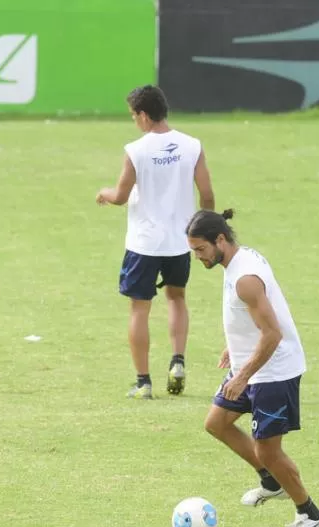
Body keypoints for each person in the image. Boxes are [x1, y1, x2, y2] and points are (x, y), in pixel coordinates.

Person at [186, 209, 319, 527]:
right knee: (216, 423)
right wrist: (233, 346)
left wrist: (243, 375)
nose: (197, 257)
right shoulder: (235, 261)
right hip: (250, 364)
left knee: (268, 450)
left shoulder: (245, 277)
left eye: (200, 250)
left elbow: (273, 333)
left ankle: (309, 514)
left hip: (273, 372)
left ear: (220, 240)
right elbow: (252, 319)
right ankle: (271, 481)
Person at [97, 85, 215, 399]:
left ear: (144, 115)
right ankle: (177, 361)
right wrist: (204, 232)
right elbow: (206, 194)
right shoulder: (192, 145)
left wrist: (103, 193)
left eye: (134, 116)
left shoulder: (136, 150)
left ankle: (143, 381)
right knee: (177, 298)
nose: (135, 121)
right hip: (180, 242)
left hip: (144, 243)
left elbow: (121, 197)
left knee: (140, 309)